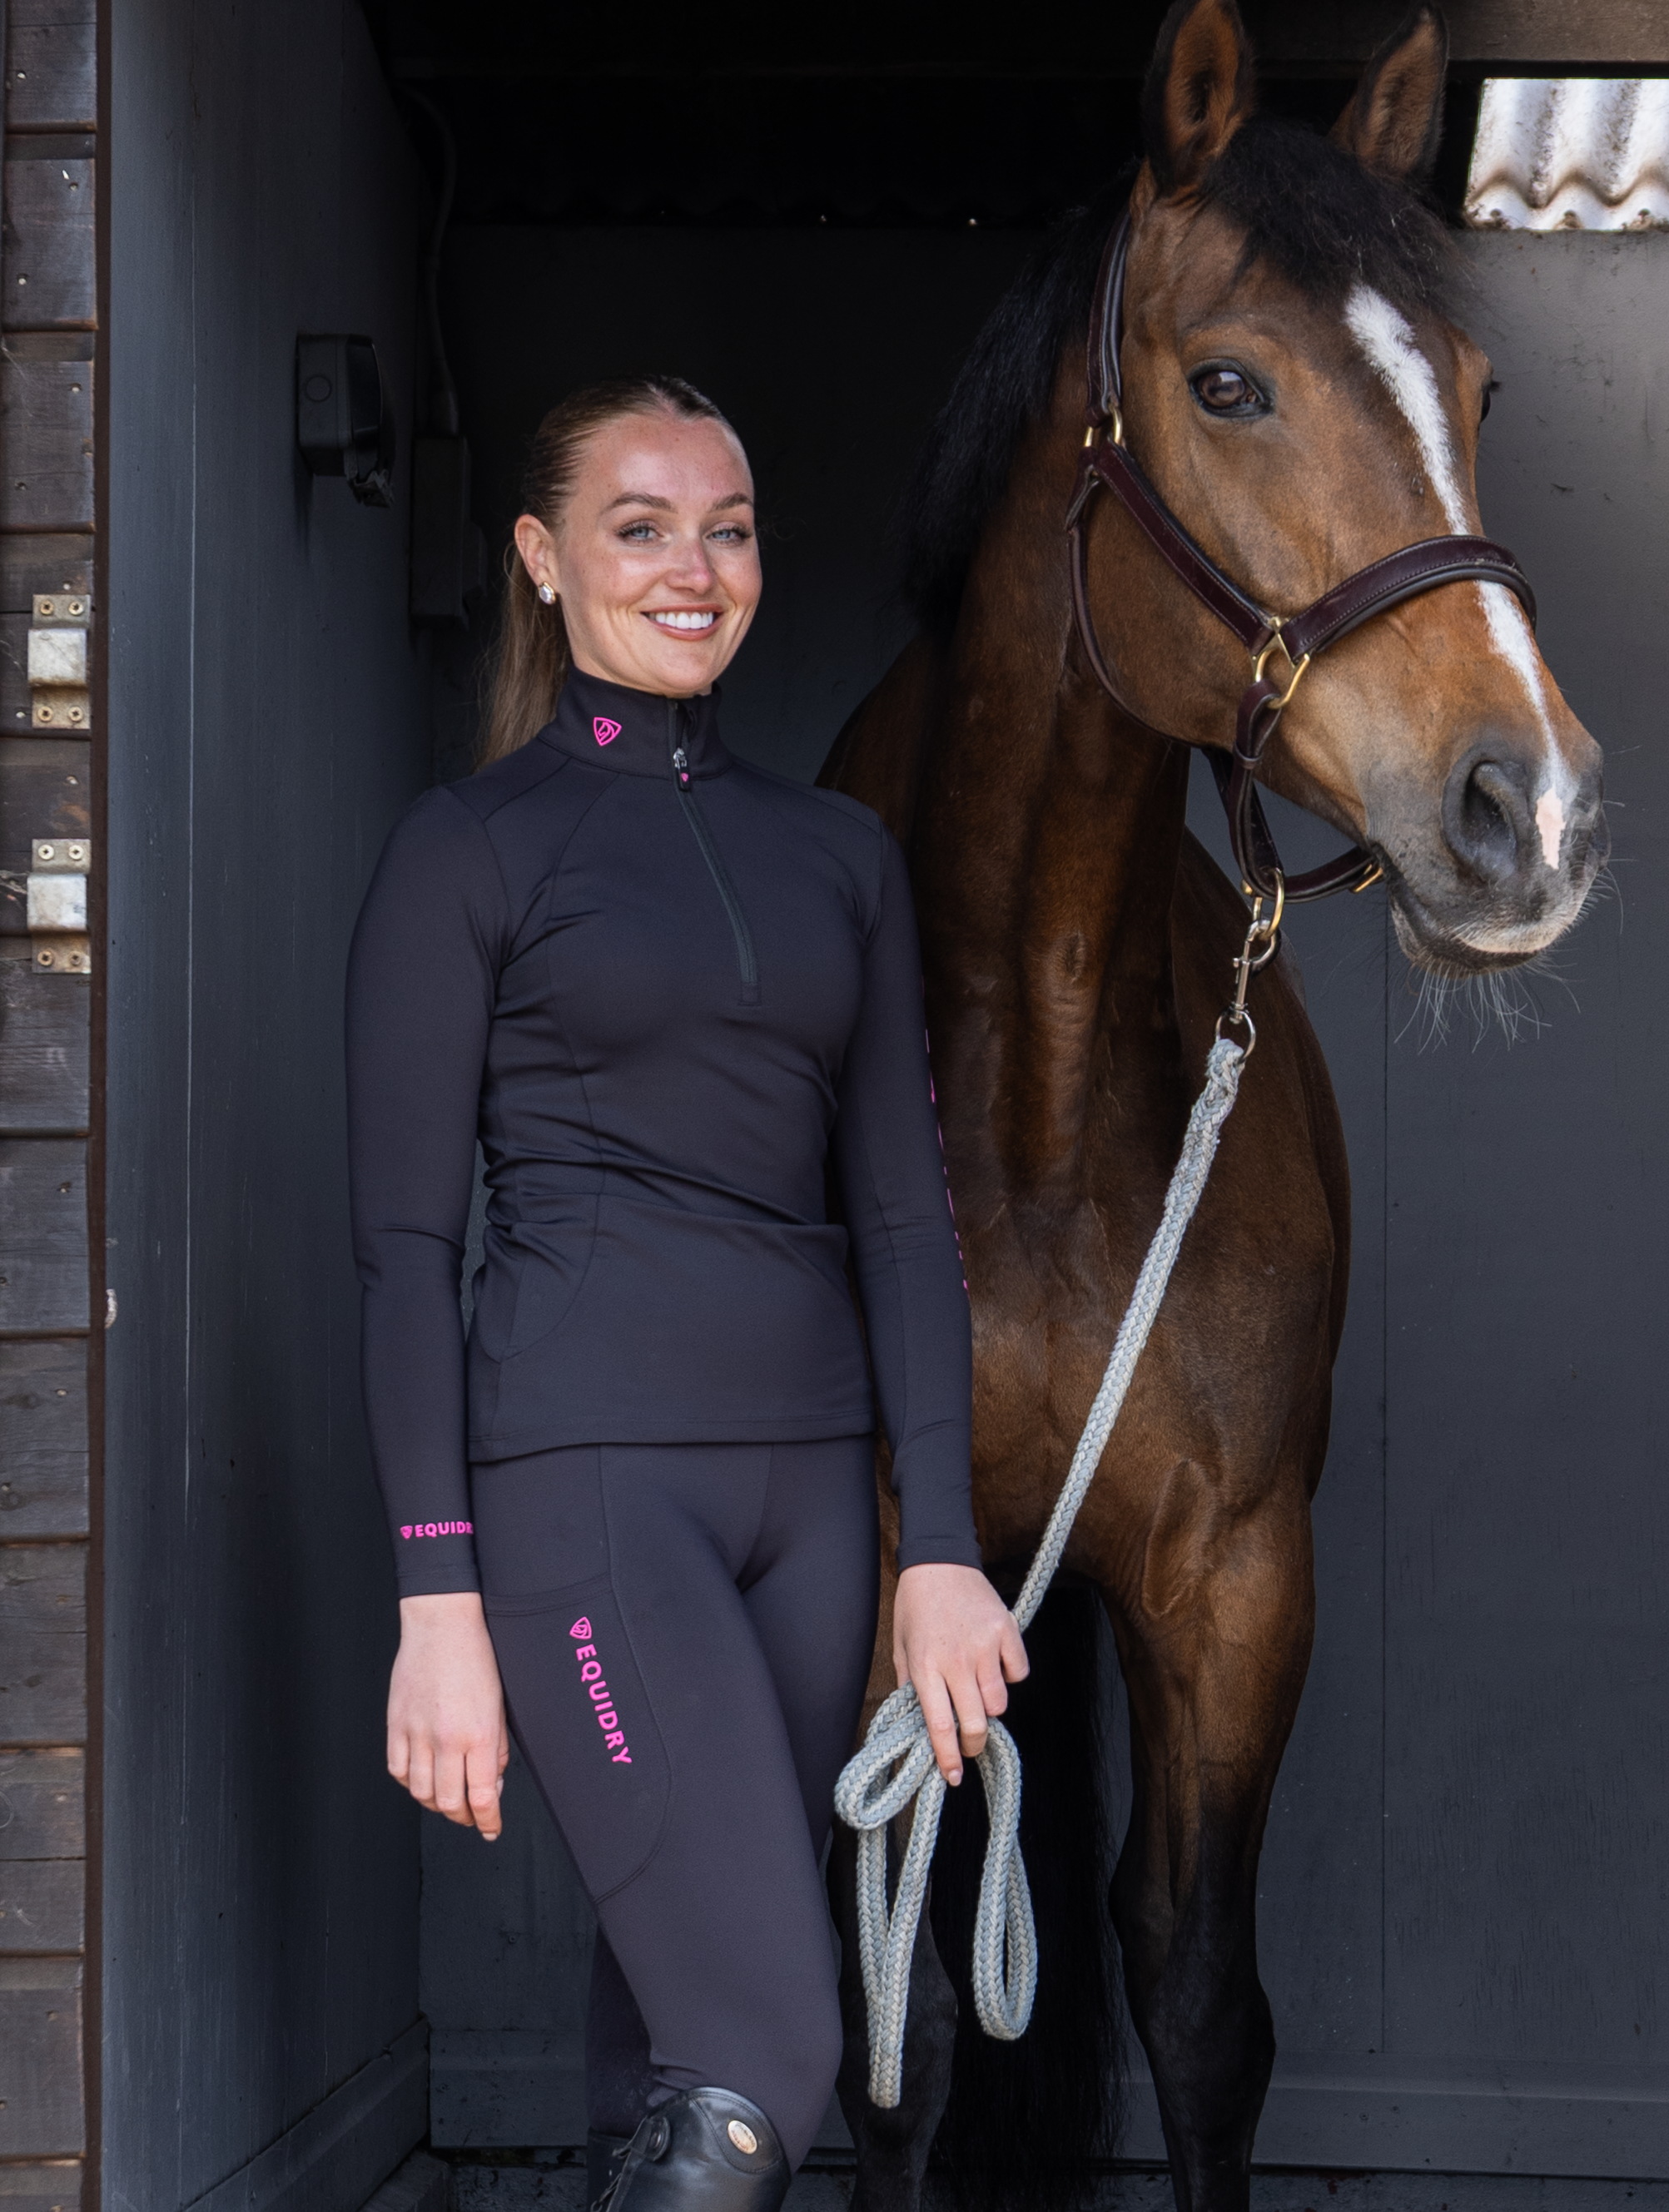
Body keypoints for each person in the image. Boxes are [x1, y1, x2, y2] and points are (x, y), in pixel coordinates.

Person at [345, 378, 1026, 2212]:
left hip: (810, 1509)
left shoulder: (837, 859)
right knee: (767, 2049)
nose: (691, 565)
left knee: (659, 2039)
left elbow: (900, 1215)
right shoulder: (467, 851)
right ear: (542, 559)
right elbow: (407, 1251)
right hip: (589, 1494)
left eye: (724, 526)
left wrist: (940, 1546)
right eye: (639, 525)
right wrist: (434, 1594)